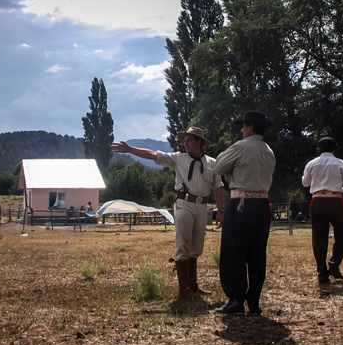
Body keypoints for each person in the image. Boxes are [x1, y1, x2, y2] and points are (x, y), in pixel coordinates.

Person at [111, 126, 224, 299]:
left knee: (197, 247)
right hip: (184, 203)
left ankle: (193, 286)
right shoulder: (178, 158)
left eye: (189, 140)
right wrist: (130, 149)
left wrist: (220, 211)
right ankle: (184, 289)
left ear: (199, 142)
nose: (185, 143)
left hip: (202, 207)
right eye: (184, 140)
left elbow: (218, 188)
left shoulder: (212, 163)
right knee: (183, 244)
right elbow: (153, 154)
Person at [213, 111, 276, 315]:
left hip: (241, 203)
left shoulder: (241, 146)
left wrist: (231, 171)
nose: (241, 130)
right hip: (263, 204)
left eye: (243, 126)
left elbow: (219, 166)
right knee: (257, 253)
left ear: (249, 126)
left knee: (234, 252)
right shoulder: (269, 151)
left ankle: (236, 299)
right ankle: (254, 300)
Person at [302, 136, 343, 285]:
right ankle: (334, 263)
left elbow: (305, 183)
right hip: (336, 200)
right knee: (342, 234)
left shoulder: (311, 164)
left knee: (319, 238)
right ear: (333, 149)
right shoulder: (341, 164)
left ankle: (321, 272)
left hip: (317, 200)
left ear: (319, 149)